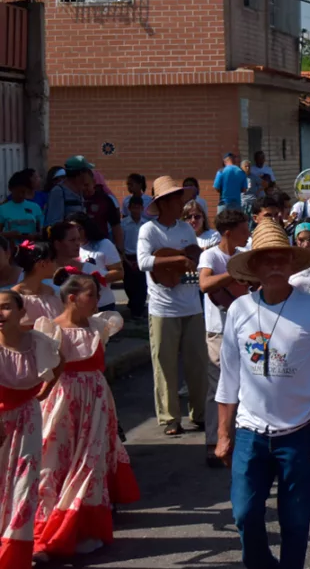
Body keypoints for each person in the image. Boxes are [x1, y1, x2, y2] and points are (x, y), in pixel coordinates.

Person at [215, 220, 310, 569]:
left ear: (291, 264)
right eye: (265, 259)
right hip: (249, 434)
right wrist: (224, 434)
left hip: (300, 434)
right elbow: (228, 379)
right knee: (244, 515)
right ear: (253, 266)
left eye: (280, 259)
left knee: (296, 524)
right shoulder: (239, 311)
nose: (273, 266)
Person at [33, 269, 139, 559]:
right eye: (91, 295)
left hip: (96, 402)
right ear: (71, 298)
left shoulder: (100, 325)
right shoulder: (50, 330)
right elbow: (43, 374)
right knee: (54, 462)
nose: (97, 300)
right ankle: (52, 527)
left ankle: (83, 527)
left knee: (90, 464)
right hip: (62, 403)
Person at [137, 176, 206, 436]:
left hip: (191, 305)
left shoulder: (186, 230)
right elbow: (143, 261)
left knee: (197, 364)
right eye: (177, 200)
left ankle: (200, 413)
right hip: (162, 307)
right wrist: (178, 259)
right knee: (164, 366)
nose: (182, 205)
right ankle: (169, 419)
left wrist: (190, 258)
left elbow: (193, 255)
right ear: (164, 203)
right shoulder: (148, 230)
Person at [0, 290, 61, 569]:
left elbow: (59, 364)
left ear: (22, 311)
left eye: (6, 308)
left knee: (24, 486)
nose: (0, 315)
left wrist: (45, 392)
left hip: (28, 420)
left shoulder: (38, 342)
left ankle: (15, 554)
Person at [197, 209, 251, 467]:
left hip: (244, 330)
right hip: (218, 331)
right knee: (217, 387)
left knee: (241, 387)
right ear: (228, 233)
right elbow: (205, 284)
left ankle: (235, 439)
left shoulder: (242, 255)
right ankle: (212, 441)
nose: (248, 233)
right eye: (244, 229)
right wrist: (234, 272)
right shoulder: (210, 254)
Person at [67, 212, 121, 311]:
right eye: (71, 230)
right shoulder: (67, 247)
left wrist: (96, 278)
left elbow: (119, 273)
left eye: (78, 228)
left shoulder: (104, 244)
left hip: (102, 304)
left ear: (86, 227)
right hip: (77, 306)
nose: (76, 232)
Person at [12, 241, 60, 326]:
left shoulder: (51, 292)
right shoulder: (16, 296)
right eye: (54, 260)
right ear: (43, 264)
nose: (56, 265)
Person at [44, 156, 93, 226]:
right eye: (87, 171)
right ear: (80, 173)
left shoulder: (80, 191)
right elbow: (54, 222)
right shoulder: (59, 191)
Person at [121, 195, 148, 318]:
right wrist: (125, 259)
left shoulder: (146, 224)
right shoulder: (123, 224)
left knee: (142, 285)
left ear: (142, 208)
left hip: (142, 256)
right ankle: (133, 305)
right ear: (129, 208)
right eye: (133, 207)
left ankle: (139, 309)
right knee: (129, 285)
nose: (136, 210)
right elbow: (120, 243)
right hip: (128, 257)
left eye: (138, 207)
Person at [0, 170, 42, 240]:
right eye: (18, 191)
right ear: (10, 189)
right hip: (10, 248)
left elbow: (41, 232)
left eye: (23, 192)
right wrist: (8, 235)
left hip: (31, 247)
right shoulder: (2, 209)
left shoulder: (35, 207)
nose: (21, 195)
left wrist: (34, 236)